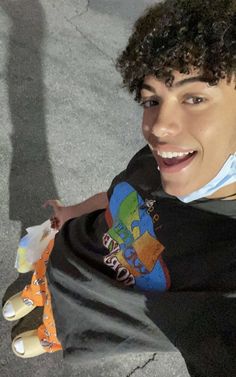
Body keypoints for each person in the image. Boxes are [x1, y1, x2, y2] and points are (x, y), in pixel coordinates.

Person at [2, 0, 236, 375]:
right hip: (71, 249)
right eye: (152, 99)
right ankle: (39, 291)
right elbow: (122, 194)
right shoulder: (168, 156)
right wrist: (74, 211)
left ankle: (52, 331)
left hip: (90, 310)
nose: (159, 126)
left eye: (195, 98)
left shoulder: (225, 251)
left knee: (63, 320)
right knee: (48, 273)